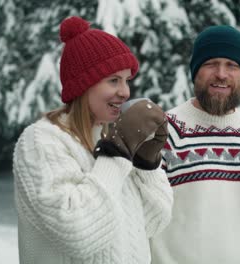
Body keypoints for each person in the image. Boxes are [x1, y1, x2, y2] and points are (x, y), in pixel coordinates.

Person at [13, 16, 173, 264]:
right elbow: (77, 234)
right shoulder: (41, 141)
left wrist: (146, 163)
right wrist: (118, 152)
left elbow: (152, 223)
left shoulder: (111, 137)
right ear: (83, 85)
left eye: (127, 80)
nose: (125, 92)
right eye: (113, 80)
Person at [150, 25, 240, 263]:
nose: (221, 73)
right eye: (211, 63)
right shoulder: (163, 131)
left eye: (232, 65)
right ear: (196, 71)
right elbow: (141, 217)